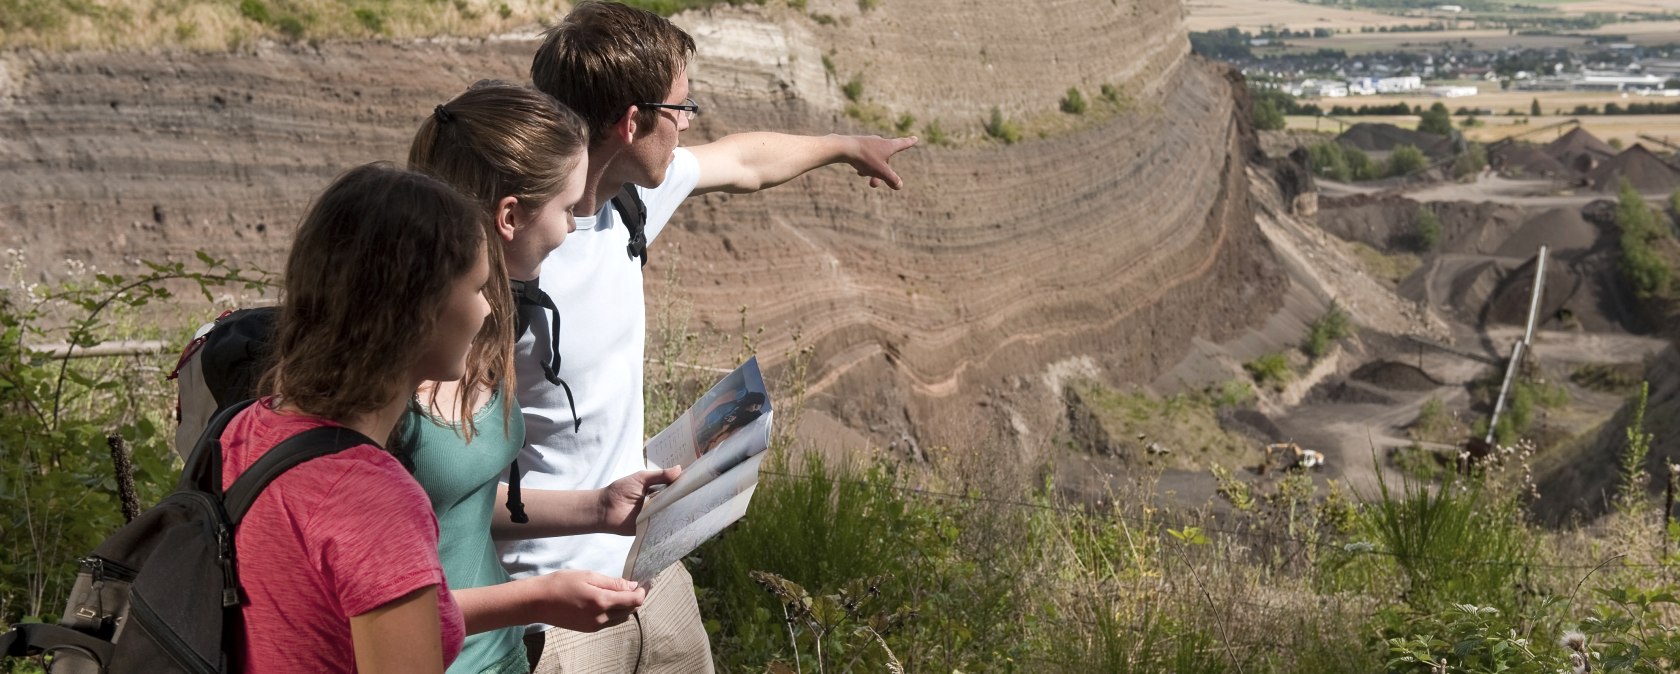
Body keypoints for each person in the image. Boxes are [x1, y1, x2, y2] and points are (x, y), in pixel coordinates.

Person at [500, 2, 918, 671]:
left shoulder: (625, 202)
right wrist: (593, 513)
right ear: (630, 122)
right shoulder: (504, 265)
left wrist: (844, 147)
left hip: (652, 574)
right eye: (680, 108)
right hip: (555, 606)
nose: (689, 124)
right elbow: (445, 484)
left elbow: (745, 160)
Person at [403, 81, 683, 674]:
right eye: (565, 208)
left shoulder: (475, 336)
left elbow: (456, 501)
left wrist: (598, 508)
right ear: (509, 216)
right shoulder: (393, 380)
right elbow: (369, 617)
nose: (570, 229)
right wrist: (537, 597)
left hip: (496, 655)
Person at [218, 163, 487, 673]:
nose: (487, 311)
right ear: (420, 307)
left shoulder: (247, 428)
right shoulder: (371, 499)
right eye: (477, 289)